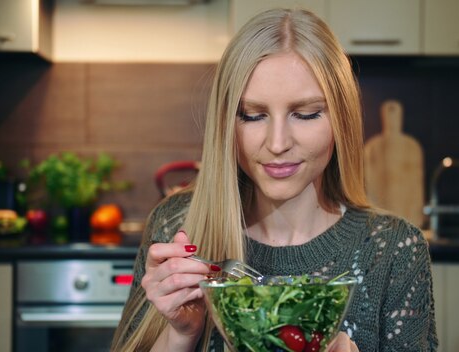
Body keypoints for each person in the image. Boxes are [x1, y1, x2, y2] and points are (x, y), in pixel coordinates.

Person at [111, 8, 438, 352]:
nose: (278, 143)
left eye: (306, 114)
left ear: (341, 119)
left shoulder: (394, 250)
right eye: (253, 116)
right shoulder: (177, 226)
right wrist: (180, 333)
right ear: (226, 123)